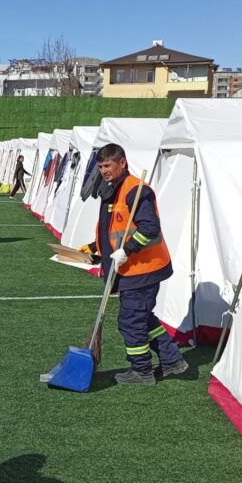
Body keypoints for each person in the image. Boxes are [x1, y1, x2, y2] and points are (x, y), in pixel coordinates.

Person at [79, 144, 188, 385]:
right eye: (100, 167)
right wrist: (94, 249)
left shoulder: (136, 190)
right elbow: (114, 231)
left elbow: (149, 228)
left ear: (122, 163)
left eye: (107, 166)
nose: (104, 171)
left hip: (143, 268)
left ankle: (142, 371)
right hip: (129, 268)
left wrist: (126, 251)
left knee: (130, 321)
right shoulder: (112, 190)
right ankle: (172, 360)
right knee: (142, 318)